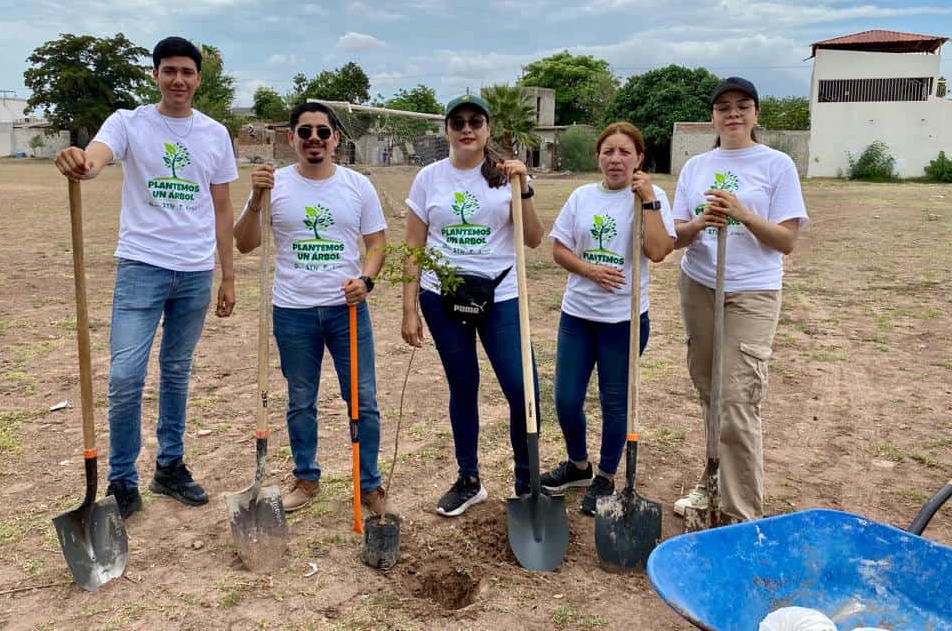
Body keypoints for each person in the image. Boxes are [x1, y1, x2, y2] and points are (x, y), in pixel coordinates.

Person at [54, 36, 237, 519]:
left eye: (188, 72)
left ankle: (170, 466)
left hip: (196, 270)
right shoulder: (129, 122)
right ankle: (122, 478)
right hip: (142, 265)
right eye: (169, 70)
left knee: (176, 370)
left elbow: (221, 206)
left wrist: (228, 276)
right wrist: (82, 163)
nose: (179, 79)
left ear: (199, 79)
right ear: (154, 74)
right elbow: (97, 157)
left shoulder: (215, 134)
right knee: (124, 376)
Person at [234, 102, 389, 515]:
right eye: (305, 132)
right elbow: (244, 243)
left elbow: (376, 244)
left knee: (363, 399)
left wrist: (366, 281)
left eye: (323, 132)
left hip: (346, 310)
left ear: (336, 139)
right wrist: (255, 199)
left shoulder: (357, 186)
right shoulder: (274, 184)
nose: (314, 139)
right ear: (292, 138)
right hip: (293, 311)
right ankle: (306, 478)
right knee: (301, 399)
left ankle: (369, 484)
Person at [671, 76, 808, 523]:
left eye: (742, 106)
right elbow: (677, 235)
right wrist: (701, 223)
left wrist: (744, 215)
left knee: (737, 399)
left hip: (751, 290)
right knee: (710, 392)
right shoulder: (695, 167)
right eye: (723, 107)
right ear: (712, 116)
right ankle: (712, 483)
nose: (733, 113)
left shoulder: (776, 165)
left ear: (755, 113)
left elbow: (785, 240)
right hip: (700, 286)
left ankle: (741, 514)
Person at [401, 93, 544, 516]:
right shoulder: (428, 178)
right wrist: (409, 308)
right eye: (458, 122)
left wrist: (526, 188)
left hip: (500, 296)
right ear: (446, 129)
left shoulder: (506, 176)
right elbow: (413, 247)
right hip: (442, 297)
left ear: (487, 129)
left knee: (522, 390)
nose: (466, 129)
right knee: (463, 386)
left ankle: (526, 480)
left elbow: (534, 238)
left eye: (475, 122)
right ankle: (468, 479)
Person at [540, 122, 676, 514]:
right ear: (598, 157)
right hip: (578, 316)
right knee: (566, 398)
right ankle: (579, 465)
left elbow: (659, 250)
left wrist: (648, 199)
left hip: (624, 320)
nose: (615, 159)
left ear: (639, 158)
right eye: (608, 152)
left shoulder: (651, 196)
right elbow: (559, 250)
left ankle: (606, 476)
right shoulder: (582, 196)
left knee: (615, 402)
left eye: (624, 152)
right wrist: (588, 270)